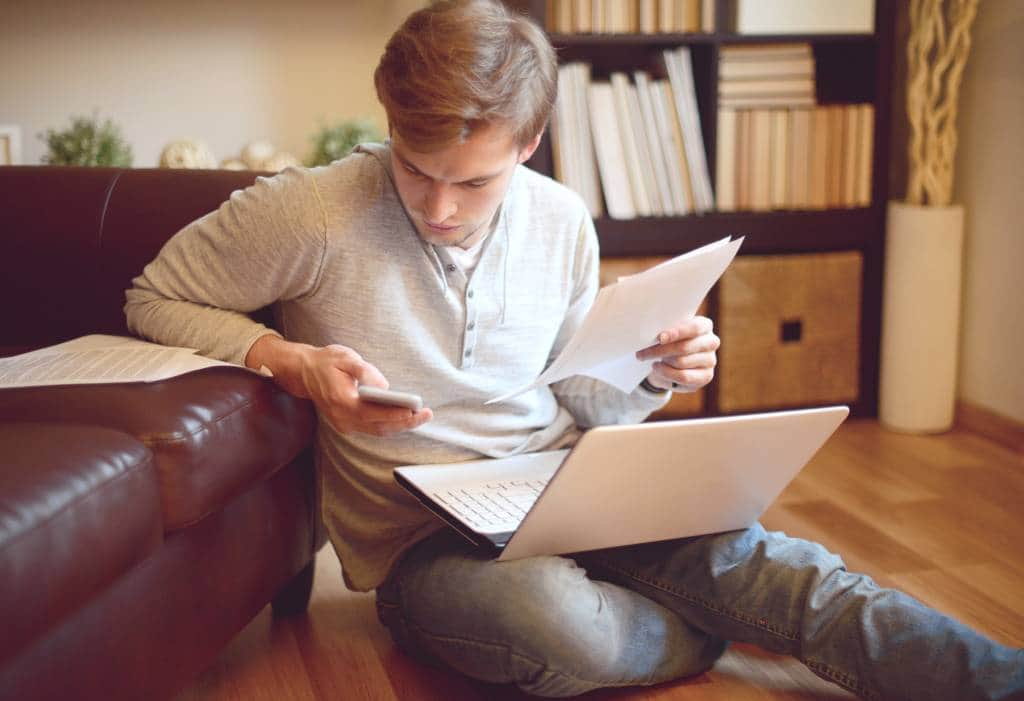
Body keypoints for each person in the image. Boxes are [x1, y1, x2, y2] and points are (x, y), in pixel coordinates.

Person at [125, 1, 1023, 698]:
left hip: (574, 488)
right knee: (558, 626)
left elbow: (583, 397)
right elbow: (153, 296)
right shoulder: (312, 212)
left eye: (473, 181)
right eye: (415, 167)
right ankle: (713, 624)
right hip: (425, 547)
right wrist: (287, 359)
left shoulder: (560, 219)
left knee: (800, 574)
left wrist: (652, 373)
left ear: (531, 141)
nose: (439, 207)